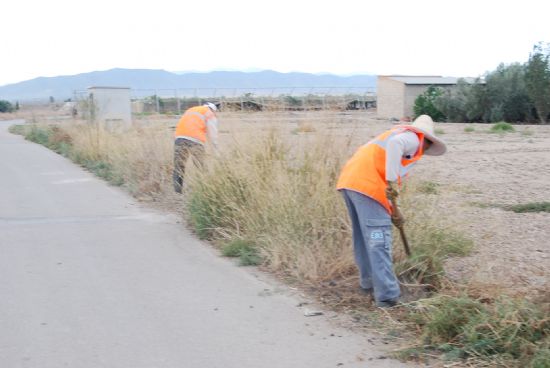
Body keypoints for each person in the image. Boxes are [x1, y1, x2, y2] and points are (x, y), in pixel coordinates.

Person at [336, 115, 447, 307]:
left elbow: (385, 179)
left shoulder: (395, 134)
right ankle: (388, 297)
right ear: (427, 141)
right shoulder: (412, 138)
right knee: (379, 241)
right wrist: (391, 180)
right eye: (428, 149)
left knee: (364, 239)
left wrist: (395, 211)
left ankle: (368, 285)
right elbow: (395, 146)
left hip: (351, 183)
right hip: (367, 187)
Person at [173, 102, 219, 193]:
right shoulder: (209, 113)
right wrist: (216, 151)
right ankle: (204, 190)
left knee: (179, 167)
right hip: (195, 141)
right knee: (200, 167)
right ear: (213, 110)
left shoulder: (190, 110)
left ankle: (177, 192)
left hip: (179, 139)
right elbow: (213, 134)